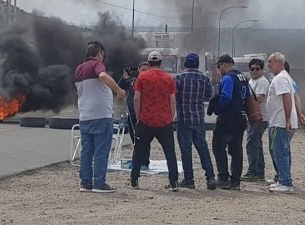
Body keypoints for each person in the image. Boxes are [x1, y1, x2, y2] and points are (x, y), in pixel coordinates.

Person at [74, 41, 125, 193]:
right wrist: (118, 90)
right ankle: (99, 183)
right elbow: (102, 76)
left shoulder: (78, 69)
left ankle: (85, 183)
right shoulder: (97, 65)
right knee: (102, 150)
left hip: (84, 115)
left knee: (87, 151)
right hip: (101, 115)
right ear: (100, 54)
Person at [129, 50, 179, 191]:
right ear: (161, 62)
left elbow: (136, 98)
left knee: (138, 150)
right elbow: (173, 101)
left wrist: (139, 117)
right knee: (170, 152)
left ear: (149, 63)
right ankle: (174, 181)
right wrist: (171, 117)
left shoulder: (142, 78)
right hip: (164, 121)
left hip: (146, 119)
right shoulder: (168, 78)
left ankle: (134, 179)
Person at [174, 53, 216, 190]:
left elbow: (173, 97)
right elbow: (209, 95)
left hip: (183, 118)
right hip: (198, 118)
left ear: (185, 63)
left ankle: (189, 179)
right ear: (197, 64)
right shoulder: (204, 78)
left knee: (186, 150)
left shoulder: (179, 78)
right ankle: (210, 177)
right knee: (203, 148)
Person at [209, 54, 249, 190]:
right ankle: (236, 181)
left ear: (224, 64)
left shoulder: (228, 77)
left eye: (219, 66)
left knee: (218, 146)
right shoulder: (243, 77)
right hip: (241, 117)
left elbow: (226, 96)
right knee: (236, 150)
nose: (219, 69)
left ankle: (223, 178)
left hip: (228, 118)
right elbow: (248, 97)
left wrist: (218, 107)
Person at [265, 52, 297, 193]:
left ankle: (285, 182)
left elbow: (287, 98)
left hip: (281, 122)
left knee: (279, 153)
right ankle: (283, 179)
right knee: (283, 151)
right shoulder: (283, 77)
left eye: (270, 62)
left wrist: (287, 119)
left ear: (279, 62)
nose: (268, 65)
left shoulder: (281, 79)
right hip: (280, 121)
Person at [241, 58, 270, 182]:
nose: (254, 71)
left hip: (260, 117)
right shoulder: (251, 81)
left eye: (257, 68)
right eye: (252, 68)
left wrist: (246, 101)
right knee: (257, 144)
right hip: (253, 117)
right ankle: (259, 172)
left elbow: (260, 98)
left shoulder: (262, 82)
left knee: (251, 144)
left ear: (262, 70)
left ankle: (253, 172)